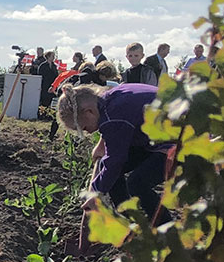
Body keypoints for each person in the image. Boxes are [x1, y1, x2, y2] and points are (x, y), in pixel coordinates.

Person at [58, 81, 167, 219]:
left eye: (84, 128)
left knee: (137, 183)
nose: (87, 132)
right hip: (160, 135)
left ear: (89, 111)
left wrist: (95, 193)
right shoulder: (112, 97)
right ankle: (129, 221)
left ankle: (168, 232)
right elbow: (123, 118)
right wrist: (102, 143)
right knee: (109, 169)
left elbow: (116, 160)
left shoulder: (112, 118)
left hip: (186, 140)